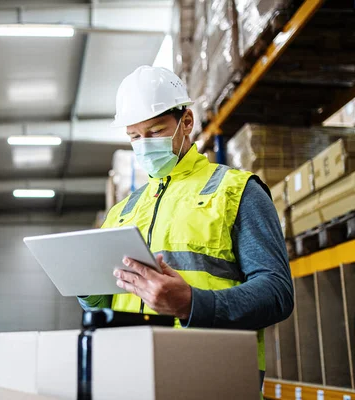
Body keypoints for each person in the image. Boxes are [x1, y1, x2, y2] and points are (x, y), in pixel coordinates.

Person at [78, 66, 294, 383]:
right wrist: (87, 291)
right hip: (130, 376)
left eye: (154, 132)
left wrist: (193, 304)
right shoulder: (122, 212)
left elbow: (277, 294)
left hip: (211, 376)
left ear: (186, 122)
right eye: (135, 137)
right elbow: (105, 300)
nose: (144, 144)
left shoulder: (235, 191)